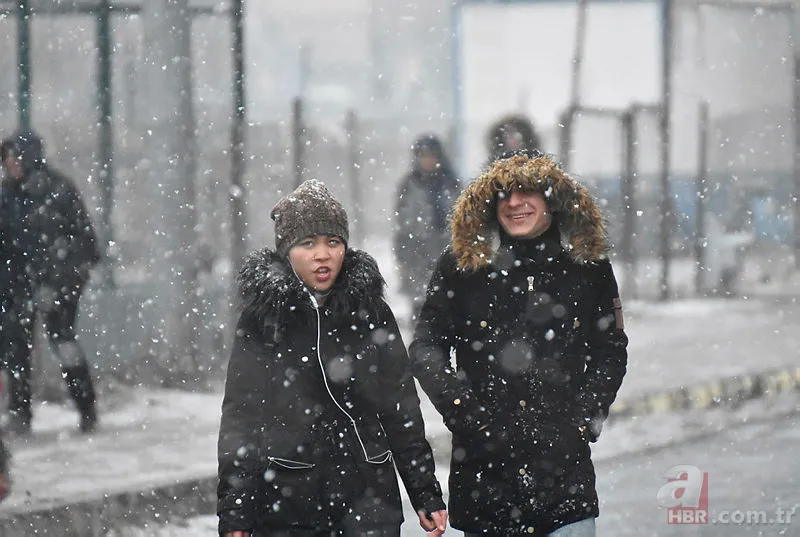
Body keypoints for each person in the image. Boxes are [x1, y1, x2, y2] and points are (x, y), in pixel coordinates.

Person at [409, 150, 628, 537]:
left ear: (552, 200)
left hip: (565, 486)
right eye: (503, 195)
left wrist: (582, 421)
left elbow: (610, 350)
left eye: (527, 191)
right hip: (484, 482)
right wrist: (466, 414)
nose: (513, 203)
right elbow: (426, 348)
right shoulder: (461, 266)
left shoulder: (587, 267)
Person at [217, 179, 447, 537]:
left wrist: (425, 493)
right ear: (286, 251)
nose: (322, 254)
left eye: (333, 242)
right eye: (307, 243)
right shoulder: (265, 319)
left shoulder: (372, 312)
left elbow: (401, 410)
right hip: (288, 505)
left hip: (370, 500)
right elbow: (242, 419)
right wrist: (235, 513)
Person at [0, 132, 101, 435]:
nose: (10, 165)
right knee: (15, 347)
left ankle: (87, 409)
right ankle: (19, 414)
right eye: (6, 160)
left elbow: (85, 245)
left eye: (15, 158)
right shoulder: (6, 195)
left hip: (59, 286)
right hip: (18, 285)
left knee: (64, 342)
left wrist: (55, 283)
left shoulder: (59, 190)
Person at [393, 134, 460, 320]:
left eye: (432, 155)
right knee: (421, 313)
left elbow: (461, 219)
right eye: (423, 155)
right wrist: (404, 254)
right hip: (418, 258)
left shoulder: (451, 184)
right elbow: (403, 223)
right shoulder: (408, 186)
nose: (428, 160)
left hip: (448, 256)